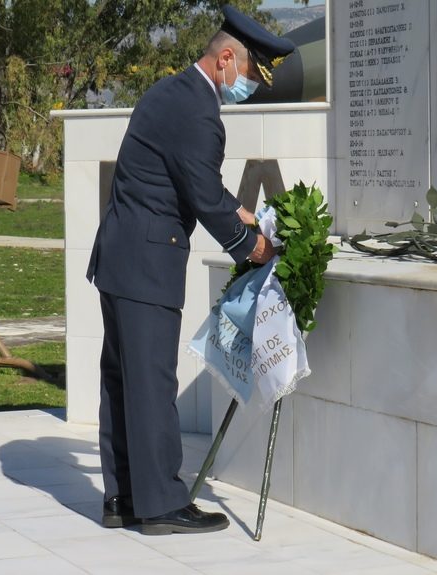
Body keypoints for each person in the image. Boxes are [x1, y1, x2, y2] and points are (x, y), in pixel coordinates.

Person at [86, 5, 295, 535]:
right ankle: (160, 506)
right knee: (153, 381)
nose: (248, 87)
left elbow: (187, 178)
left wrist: (241, 211)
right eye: (250, 75)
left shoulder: (170, 92)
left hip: (121, 257)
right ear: (226, 58)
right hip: (148, 264)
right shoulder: (199, 112)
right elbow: (202, 194)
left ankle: (124, 496)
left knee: (123, 378)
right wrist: (253, 247)